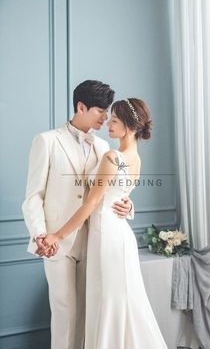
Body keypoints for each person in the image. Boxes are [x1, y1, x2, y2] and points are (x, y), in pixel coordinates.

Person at [42, 98, 168, 349]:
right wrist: (129, 206)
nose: (108, 123)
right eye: (109, 118)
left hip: (106, 234)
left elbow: (90, 204)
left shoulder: (112, 156)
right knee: (118, 301)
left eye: (116, 121)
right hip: (118, 233)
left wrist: (57, 235)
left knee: (108, 302)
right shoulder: (135, 159)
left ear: (130, 127)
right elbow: (121, 196)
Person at [22, 80, 134, 349]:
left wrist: (129, 207)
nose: (105, 118)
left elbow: (110, 191)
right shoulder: (46, 141)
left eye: (108, 112)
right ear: (80, 106)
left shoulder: (104, 148)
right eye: (100, 111)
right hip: (57, 244)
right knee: (65, 314)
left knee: (88, 316)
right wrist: (40, 234)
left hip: (95, 241)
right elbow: (33, 197)